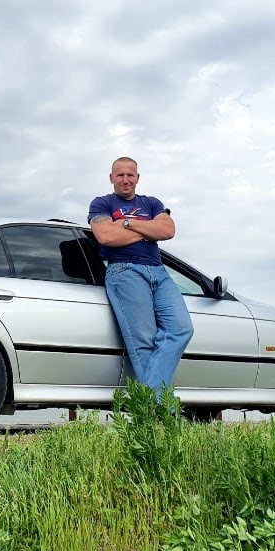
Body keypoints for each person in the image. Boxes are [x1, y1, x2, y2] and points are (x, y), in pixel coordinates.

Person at [88, 156, 194, 393]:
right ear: (111, 178)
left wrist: (125, 223)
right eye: (120, 175)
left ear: (137, 177)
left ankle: (149, 402)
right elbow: (106, 237)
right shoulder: (102, 203)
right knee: (144, 341)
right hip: (125, 270)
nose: (125, 180)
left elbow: (167, 230)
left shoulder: (152, 203)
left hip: (159, 272)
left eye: (130, 175)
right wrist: (148, 231)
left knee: (181, 329)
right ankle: (158, 409)